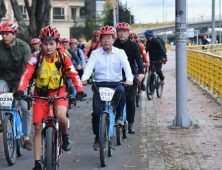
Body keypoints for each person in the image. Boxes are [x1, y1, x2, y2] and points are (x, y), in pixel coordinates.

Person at [13, 25, 84, 170]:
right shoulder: (36, 58)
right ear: (41, 44)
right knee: (38, 127)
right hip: (40, 95)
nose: (48, 47)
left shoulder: (64, 58)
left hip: (59, 92)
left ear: (57, 43)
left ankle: (64, 136)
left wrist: (80, 90)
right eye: (45, 44)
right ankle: (37, 162)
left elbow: (73, 74)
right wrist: (21, 90)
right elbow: (26, 75)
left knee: (61, 115)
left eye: (51, 43)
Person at [81, 25, 133, 150]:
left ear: (113, 39)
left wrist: (129, 79)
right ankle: (98, 138)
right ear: (100, 39)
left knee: (122, 90)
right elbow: (89, 67)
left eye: (109, 37)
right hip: (100, 85)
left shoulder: (120, 53)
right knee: (97, 114)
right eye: (103, 38)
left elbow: (126, 67)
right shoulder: (95, 53)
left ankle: (119, 117)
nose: (106, 40)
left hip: (116, 85)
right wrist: (84, 78)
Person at [0, 21, 33, 150]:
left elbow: (29, 67)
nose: (4, 36)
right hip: (4, 79)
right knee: (1, 102)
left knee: (25, 108)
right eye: (2, 33)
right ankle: (4, 121)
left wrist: (30, 84)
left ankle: (26, 137)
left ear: (14, 34)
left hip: (21, 80)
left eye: (7, 34)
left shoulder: (24, 46)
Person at [113, 22, 144, 134]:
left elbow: (139, 59)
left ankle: (130, 123)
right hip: (115, 76)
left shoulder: (133, 46)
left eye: (124, 32)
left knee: (131, 99)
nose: (122, 34)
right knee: (114, 99)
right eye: (120, 31)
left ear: (128, 33)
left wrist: (141, 72)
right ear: (116, 33)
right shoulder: (113, 45)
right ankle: (116, 118)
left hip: (131, 75)